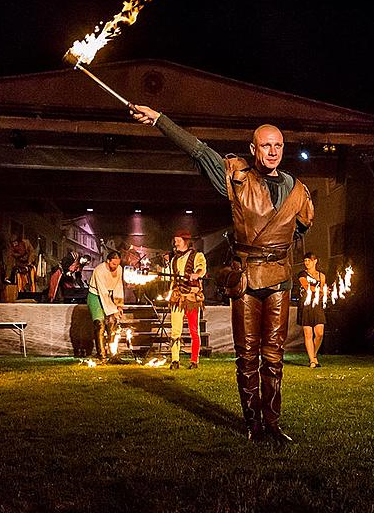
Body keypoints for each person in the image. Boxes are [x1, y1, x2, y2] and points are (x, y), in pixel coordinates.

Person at [131, 104, 314, 443]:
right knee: (247, 355)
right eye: (266, 145)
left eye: (278, 145)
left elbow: (299, 229)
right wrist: (160, 120)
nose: (272, 151)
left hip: (278, 277)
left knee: (274, 356)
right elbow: (198, 150)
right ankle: (252, 424)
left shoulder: (296, 189)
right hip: (245, 279)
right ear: (253, 149)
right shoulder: (236, 176)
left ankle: (272, 423)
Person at [167, 230, 207, 370]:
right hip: (178, 297)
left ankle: (194, 360)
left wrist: (196, 274)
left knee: (193, 330)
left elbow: (201, 268)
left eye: (177, 239)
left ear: (184, 240)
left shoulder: (197, 255)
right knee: (175, 331)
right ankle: (175, 360)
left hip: (191, 296)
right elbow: (171, 277)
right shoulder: (174, 259)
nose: (175, 242)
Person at [87, 251, 125, 362]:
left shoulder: (119, 269)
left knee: (112, 324)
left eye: (117, 264)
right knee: (100, 325)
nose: (115, 267)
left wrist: (119, 305)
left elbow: (118, 286)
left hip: (108, 295)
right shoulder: (99, 270)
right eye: (113, 264)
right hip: (96, 295)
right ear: (108, 261)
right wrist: (113, 310)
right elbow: (103, 292)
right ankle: (102, 355)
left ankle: (113, 355)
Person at [297, 252, 326, 369]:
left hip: (317, 305)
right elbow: (306, 286)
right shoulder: (302, 274)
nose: (306, 262)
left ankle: (313, 355)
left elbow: (322, 290)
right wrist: (320, 290)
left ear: (315, 261)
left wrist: (325, 292)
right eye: (305, 261)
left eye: (309, 260)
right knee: (308, 333)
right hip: (305, 305)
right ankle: (312, 361)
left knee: (319, 333)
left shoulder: (321, 276)